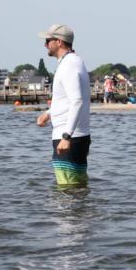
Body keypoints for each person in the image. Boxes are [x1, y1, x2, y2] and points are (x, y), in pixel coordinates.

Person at [35, 24, 91, 185]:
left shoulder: (69, 65)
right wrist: (49, 113)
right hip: (75, 135)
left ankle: (70, 211)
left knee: (67, 189)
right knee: (77, 186)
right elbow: (67, 99)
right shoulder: (72, 62)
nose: (45, 44)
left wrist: (67, 136)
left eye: (48, 40)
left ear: (59, 42)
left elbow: (77, 100)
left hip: (68, 137)